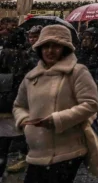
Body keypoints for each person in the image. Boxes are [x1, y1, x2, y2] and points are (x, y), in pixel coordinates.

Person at [13, 25, 98, 183]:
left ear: (65, 49)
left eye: (56, 46)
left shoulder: (77, 72)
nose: (50, 51)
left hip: (67, 151)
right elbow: (19, 106)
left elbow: (90, 104)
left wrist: (57, 119)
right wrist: (24, 120)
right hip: (36, 152)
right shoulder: (31, 77)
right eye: (46, 46)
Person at [0, 29, 32, 177]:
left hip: (7, 105)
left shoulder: (5, 54)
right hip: (16, 107)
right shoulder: (26, 57)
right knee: (10, 141)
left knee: (3, 144)